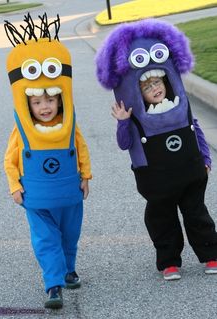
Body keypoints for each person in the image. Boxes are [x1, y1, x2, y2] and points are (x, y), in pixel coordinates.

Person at [96, 19, 217, 281]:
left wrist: (205, 158)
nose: (155, 88)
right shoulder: (136, 116)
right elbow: (124, 144)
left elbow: (194, 129)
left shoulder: (178, 106)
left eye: (158, 82)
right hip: (155, 175)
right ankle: (169, 262)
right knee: (161, 218)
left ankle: (211, 254)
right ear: (140, 93)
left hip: (189, 170)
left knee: (197, 213)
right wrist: (123, 122)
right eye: (147, 87)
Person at [4, 13, 92, 308]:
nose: (44, 106)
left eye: (50, 100)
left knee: (69, 235)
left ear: (60, 99)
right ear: (28, 103)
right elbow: (10, 160)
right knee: (45, 240)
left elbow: (80, 148)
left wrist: (85, 176)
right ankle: (52, 284)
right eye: (37, 102)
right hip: (38, 196)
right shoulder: (22, 129)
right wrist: (15, 185)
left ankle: (69, 269)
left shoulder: (70, 125)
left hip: (69, 194)